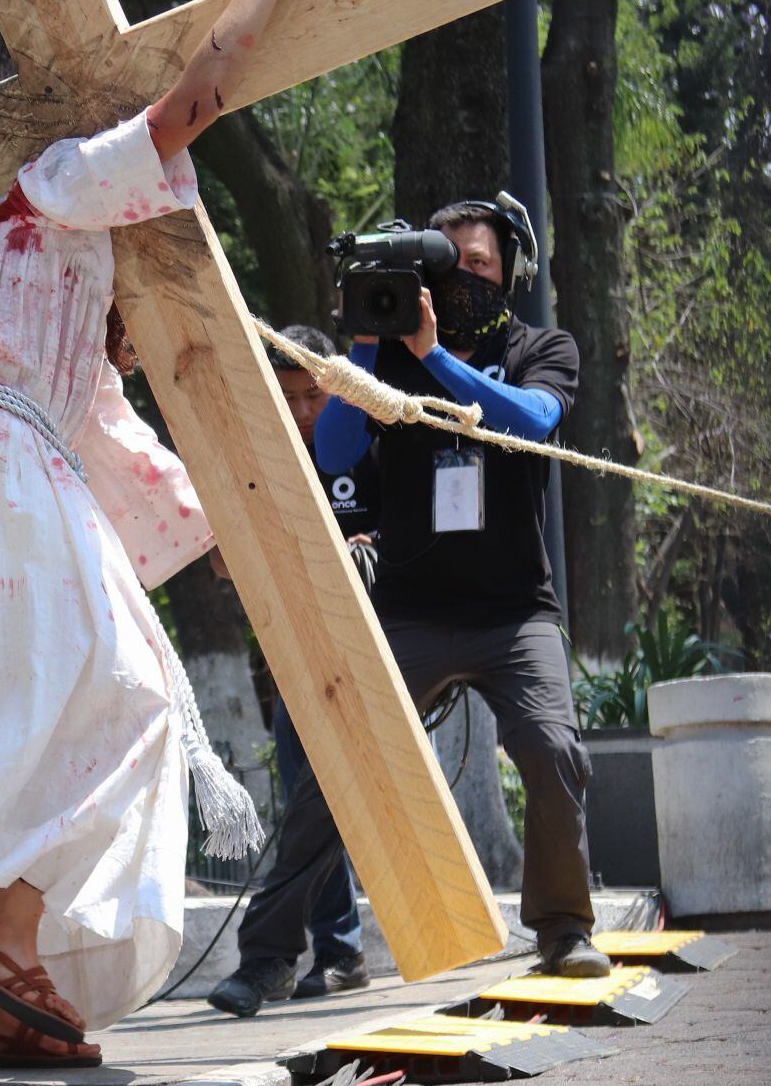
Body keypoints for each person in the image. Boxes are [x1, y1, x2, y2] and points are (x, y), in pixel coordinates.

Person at [0, 0, 352, 1069]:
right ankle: (7, 942)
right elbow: (189, 106)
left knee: (23, 720)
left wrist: (252, 508)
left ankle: (0, 1000)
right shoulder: (54, 184)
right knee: (132, 694)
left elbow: (138, 462)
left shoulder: (45, 313)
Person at [207, 198, 610, 1019]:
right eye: (451, 261)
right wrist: (366, 346)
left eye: (482, 263)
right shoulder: (386, 361)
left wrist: (436, 358)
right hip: (410, 615)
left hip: (514, 613)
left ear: (513, 273)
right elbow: (338, 451)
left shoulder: (543, 348)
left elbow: (531, 420)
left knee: (551, 745)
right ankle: (269, 960)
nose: (466, 274)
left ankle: (563, 929)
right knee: (333, 767)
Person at [264, 323, 378, 997]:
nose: (304, 414)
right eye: (288, 399)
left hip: (382, 650)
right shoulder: (264, 454)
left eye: (313, 396)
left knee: (370, 796)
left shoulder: (370, 437)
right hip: (299, 652)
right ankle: (339, 949)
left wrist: (370, 548)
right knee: (308, 799)